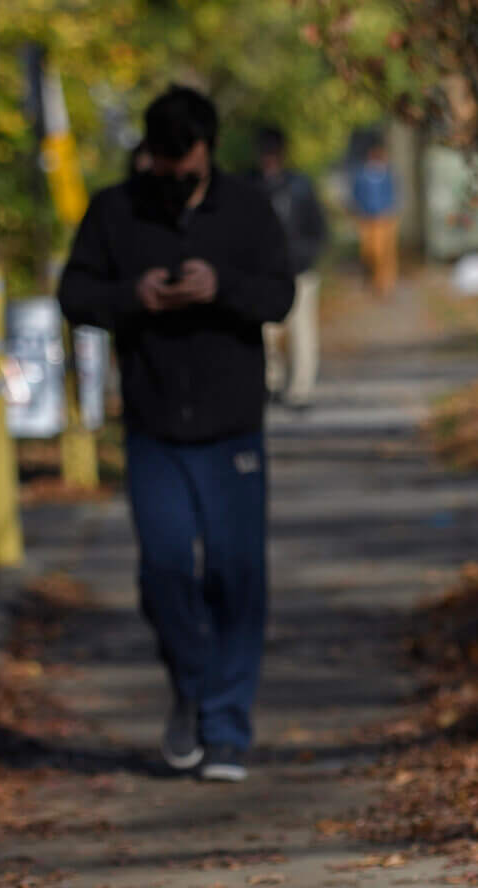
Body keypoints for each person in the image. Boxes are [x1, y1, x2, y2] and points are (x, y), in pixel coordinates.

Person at [58, 86, 293, 783]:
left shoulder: (247, 208)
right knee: (163, 572)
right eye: (160, 163)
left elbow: (280, 295)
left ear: (208, 149)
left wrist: (221, 285)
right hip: (154, 423)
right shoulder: (116, 209)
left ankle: (225, 728)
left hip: (232, 426)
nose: (172, 175)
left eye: (183, 161)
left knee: (235, 575)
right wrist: (136, 297)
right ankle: (193, 684)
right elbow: (73, 295)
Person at [253, 126, 326, 411]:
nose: (268, 159)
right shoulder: (252, 186)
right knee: (266, 331)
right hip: (263, 272)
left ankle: (300, 390)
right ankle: (270, 382)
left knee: (302, 332)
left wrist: (306, 256)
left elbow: (317, 226)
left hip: (299, 270)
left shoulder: (300, 186)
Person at [349, 138, 398, 297]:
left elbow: (393, 194)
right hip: (366, 218)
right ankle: (373, 278)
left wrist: (389, 211)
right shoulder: (362, 174)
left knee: (384, 252)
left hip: (384, 218)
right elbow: (356, 194)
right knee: (369, 251)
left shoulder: (387, 174)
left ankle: (384, 284)